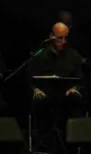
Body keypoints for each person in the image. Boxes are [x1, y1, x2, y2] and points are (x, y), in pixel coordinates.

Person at [27, 22, 85, 152]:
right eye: (59, 38)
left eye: (65, 38)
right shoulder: (39, 56)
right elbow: (29, 79)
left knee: (76, 101)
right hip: (46, 95)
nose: (63, 42)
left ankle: (72, 146)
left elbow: (81, 78)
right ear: (51, 36)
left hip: (66, 96)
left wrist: (75, 88)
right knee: (38, 101)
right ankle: (44, 145)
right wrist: (35, 89)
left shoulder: (73, 55)